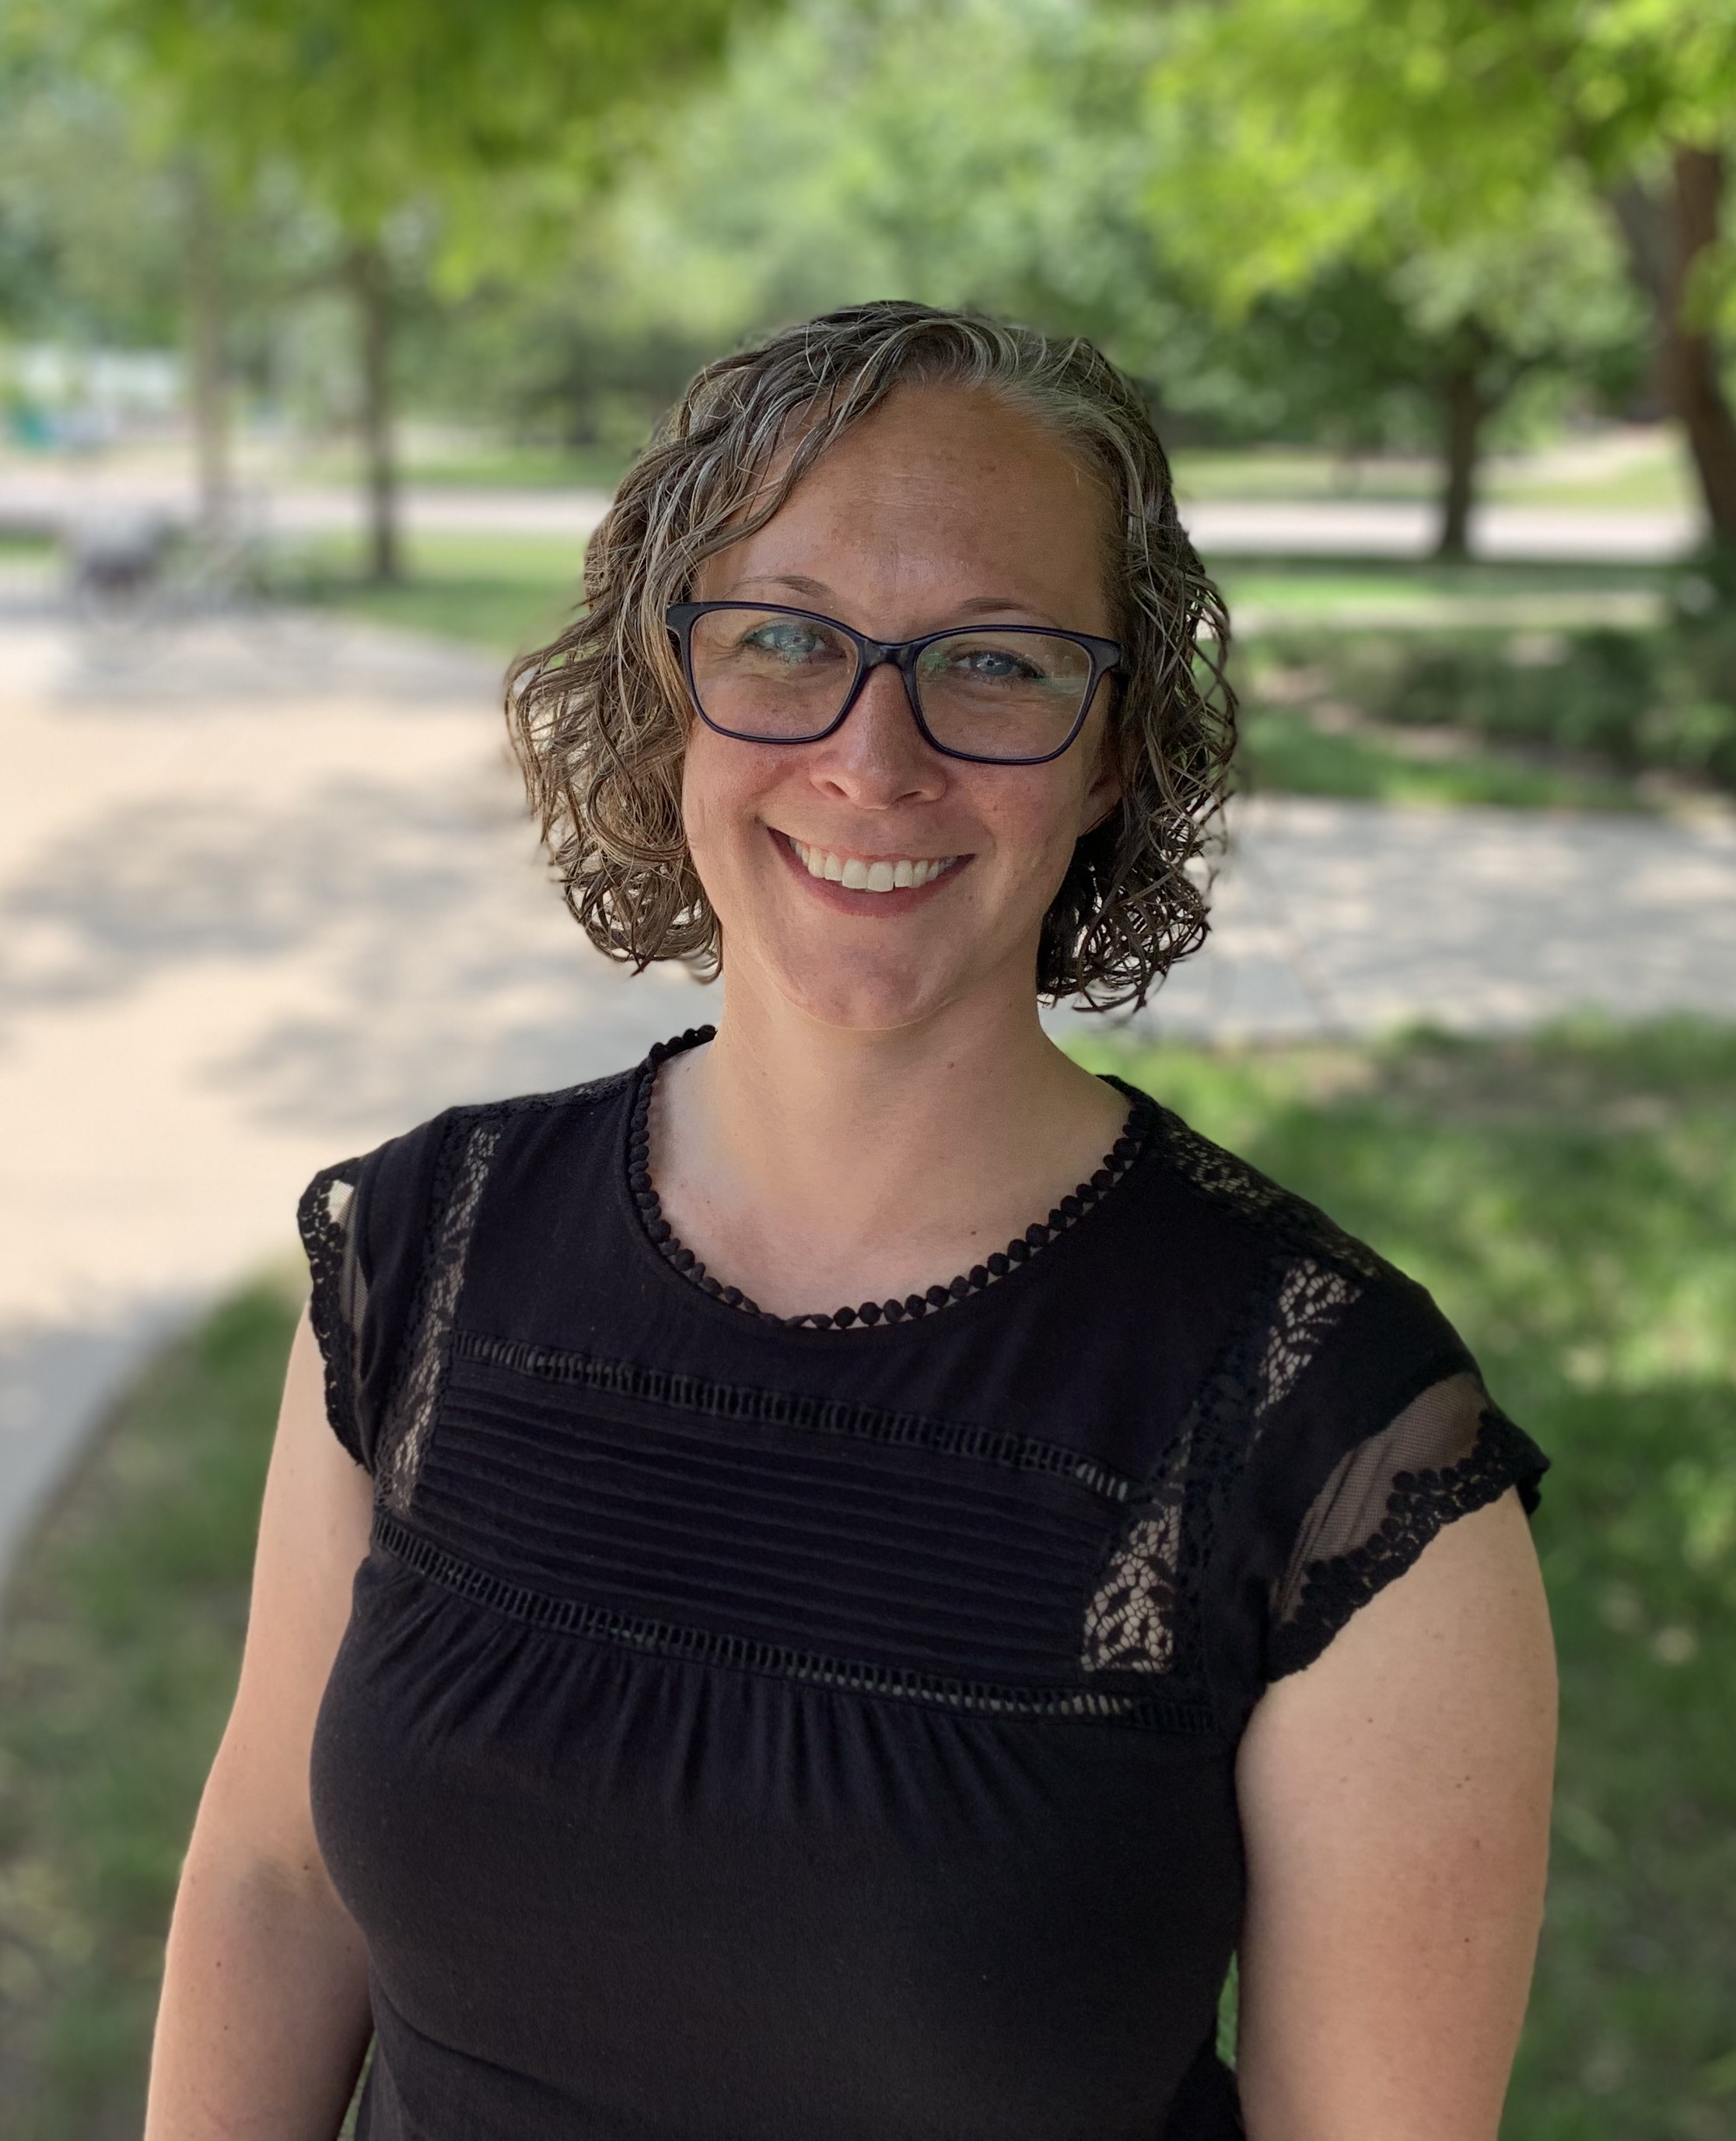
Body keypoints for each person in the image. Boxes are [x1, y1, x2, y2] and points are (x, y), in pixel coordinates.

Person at [145, 301, 1557, 2141]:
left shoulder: (1333, 1439)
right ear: (670, 691)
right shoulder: (421, 1254)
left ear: (1113, 747)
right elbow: (276, 1881)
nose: (873, 759)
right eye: (786, 638)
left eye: (994, 662)